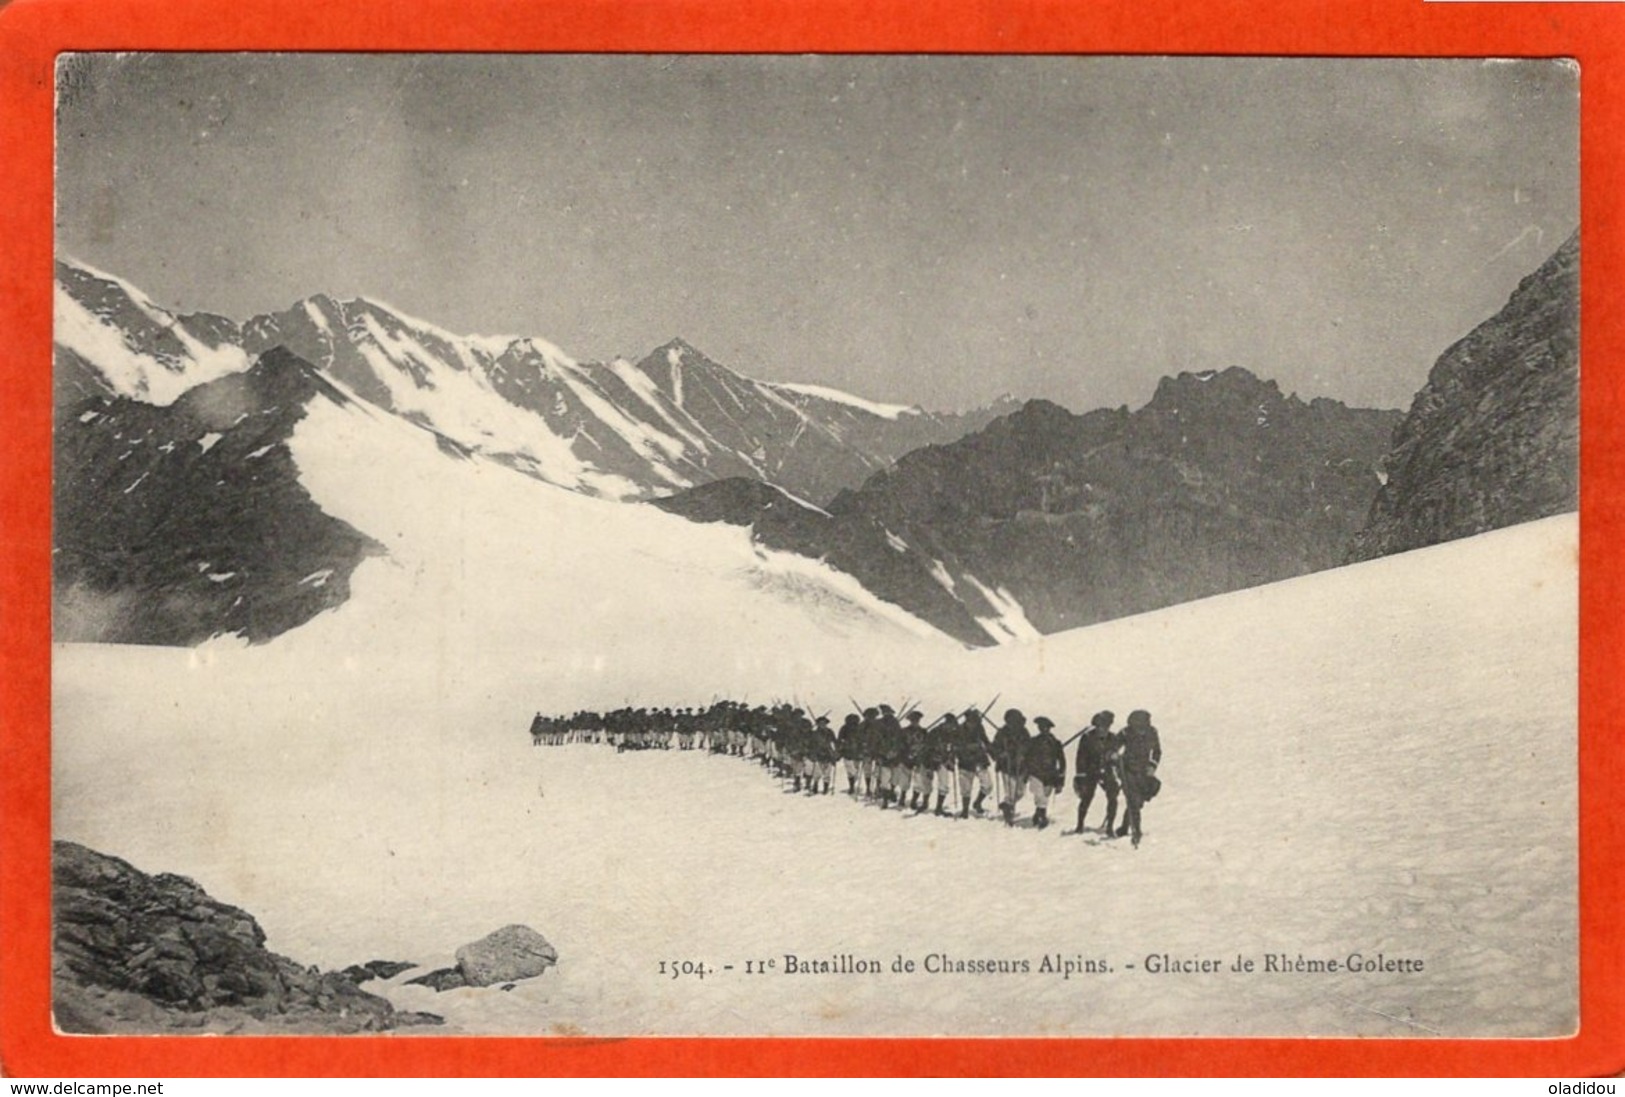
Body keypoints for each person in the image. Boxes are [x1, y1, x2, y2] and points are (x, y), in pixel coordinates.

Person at [1116, 709, 1163, 848]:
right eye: (1137, 727)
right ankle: (1136, 831)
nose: (1140, 730)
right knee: (1133, 800)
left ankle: (1125, 826)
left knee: (1138, 801)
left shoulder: (1152, 733)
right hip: (1127, 770)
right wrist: (1113, 754)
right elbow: (1113, 746)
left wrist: (1152, 765)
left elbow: (1157, 751)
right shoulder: (1125, 733)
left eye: (1142, 726)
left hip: (1144, 771)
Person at [1073, 710, 1122, 836]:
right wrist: (1081, 776)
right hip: (1090, 772)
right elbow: (1081, 758)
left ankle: (1110, 826)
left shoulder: (1113, 738)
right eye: (1099, 726)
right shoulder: (1087, 738)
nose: (1102, 729)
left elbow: (1116, 758)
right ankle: (1079, 825)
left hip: (1107, 772)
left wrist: (1116, 766)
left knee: (1113, 797)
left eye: (1105, 726)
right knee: (1086, 798)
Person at [1023, 716, 1066, 829]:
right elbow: (1027, 757)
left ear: (1049, 728)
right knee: (1039, 795)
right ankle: (1043, 816)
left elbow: (1062, 761)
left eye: (1046, 728)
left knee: (1045, 796)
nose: (1043, 730)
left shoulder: (1056, 743)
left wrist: (1061, 778)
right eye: (1041, 727)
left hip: (1050, 774)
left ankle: (1038, 814)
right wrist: (1025, 772)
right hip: (1035, 772)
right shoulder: (1033, 741)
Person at [991, 709, 1030, 826]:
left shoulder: (1024, 732)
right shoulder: (1002, 733)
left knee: (1020, 793)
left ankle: (1006, 805)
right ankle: (1009, 814)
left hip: (1021, 767)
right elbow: (994, 748)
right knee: (1010, 792)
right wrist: (1001, 754)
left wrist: (1023, 754)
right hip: (1006, 767)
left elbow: (1029, 746)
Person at [952, 709, 993, 818]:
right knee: (966, 788)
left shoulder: (979, 728)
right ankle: (965, 811)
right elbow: (955, 746)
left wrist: (992, 752)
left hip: (980, 760)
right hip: (965, 762)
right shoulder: (959, 730)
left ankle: (977, 802)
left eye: (975, 721)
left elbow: (986, 741)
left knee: (988, 785)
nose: (974, 723)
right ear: (967, 720)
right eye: (972, 721)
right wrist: (968, 747)